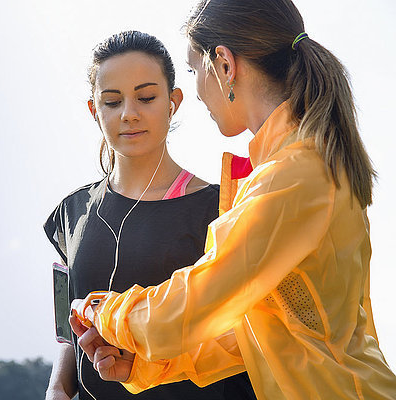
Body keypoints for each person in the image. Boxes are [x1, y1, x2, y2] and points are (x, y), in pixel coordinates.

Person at [70, 1, 396, 399]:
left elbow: (197, 300)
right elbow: (257, 332)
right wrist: (148, 365)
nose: (196, 90)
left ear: (223, 65)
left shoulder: (294, 175)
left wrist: (104, 313)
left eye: (193, 70)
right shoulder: (294, 165)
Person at [44, 31, 256, 400]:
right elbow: (68, 326)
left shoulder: (224, 208)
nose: (129, 113)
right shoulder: (72, 213)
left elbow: (244, 333)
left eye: (146, 97)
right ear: (95, 110)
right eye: (112, 101)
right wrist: (57, 388)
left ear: (173, 102)